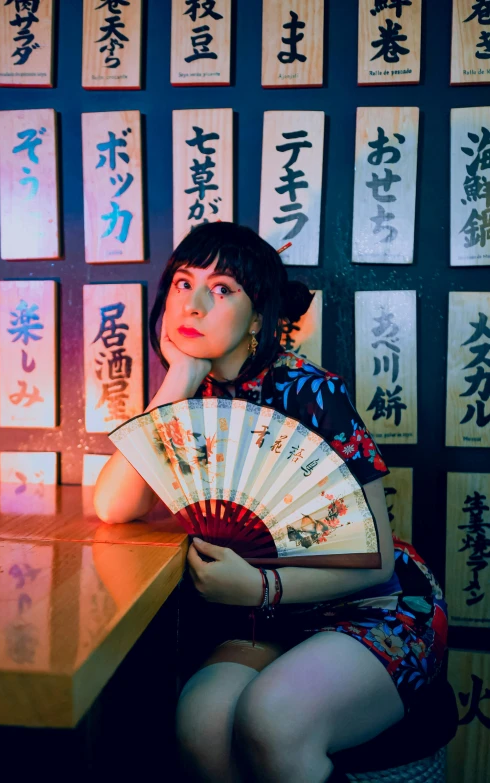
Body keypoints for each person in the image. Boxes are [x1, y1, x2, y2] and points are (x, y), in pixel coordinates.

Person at [93, 222, 448, 783]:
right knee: (200, 719)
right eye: (183, 284)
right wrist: (177, 380)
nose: (195, 302)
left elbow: (376, 559)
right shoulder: (192, 399)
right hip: (267, 621)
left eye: (224, 288)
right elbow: (114, 506)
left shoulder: (313, 392)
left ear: (258, 317)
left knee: (273, 720)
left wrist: (262, 586)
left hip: (370, 607)